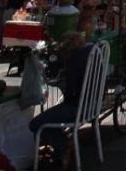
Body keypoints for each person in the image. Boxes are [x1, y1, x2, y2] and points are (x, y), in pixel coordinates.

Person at [29, 31, 93, 169]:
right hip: (93, 105)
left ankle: (65, 145)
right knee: (49, 118)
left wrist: (64, 85)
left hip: (77, 108)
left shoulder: (73, 59)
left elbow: (70, 92)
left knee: (35, 124)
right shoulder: (93, 52)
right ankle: (64, 146)